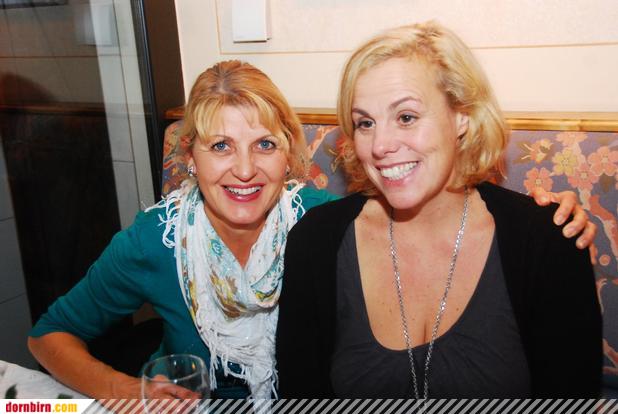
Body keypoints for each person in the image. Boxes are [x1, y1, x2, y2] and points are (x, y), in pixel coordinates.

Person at [28, 60, 593, 400]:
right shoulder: (155, 240)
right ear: (189, 157)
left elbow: (425, 203)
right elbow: (48, 336)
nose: (244, 170)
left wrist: (545, 220)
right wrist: (127, 390)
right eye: (220, 146)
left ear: (289, 155)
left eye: (264, 145)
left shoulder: (324, 225)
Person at [275, 21, 602, 398]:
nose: (379, 145)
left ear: (462, 116)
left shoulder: (548, 239)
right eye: (365, 123)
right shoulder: (315, 241)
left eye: (406, 117)